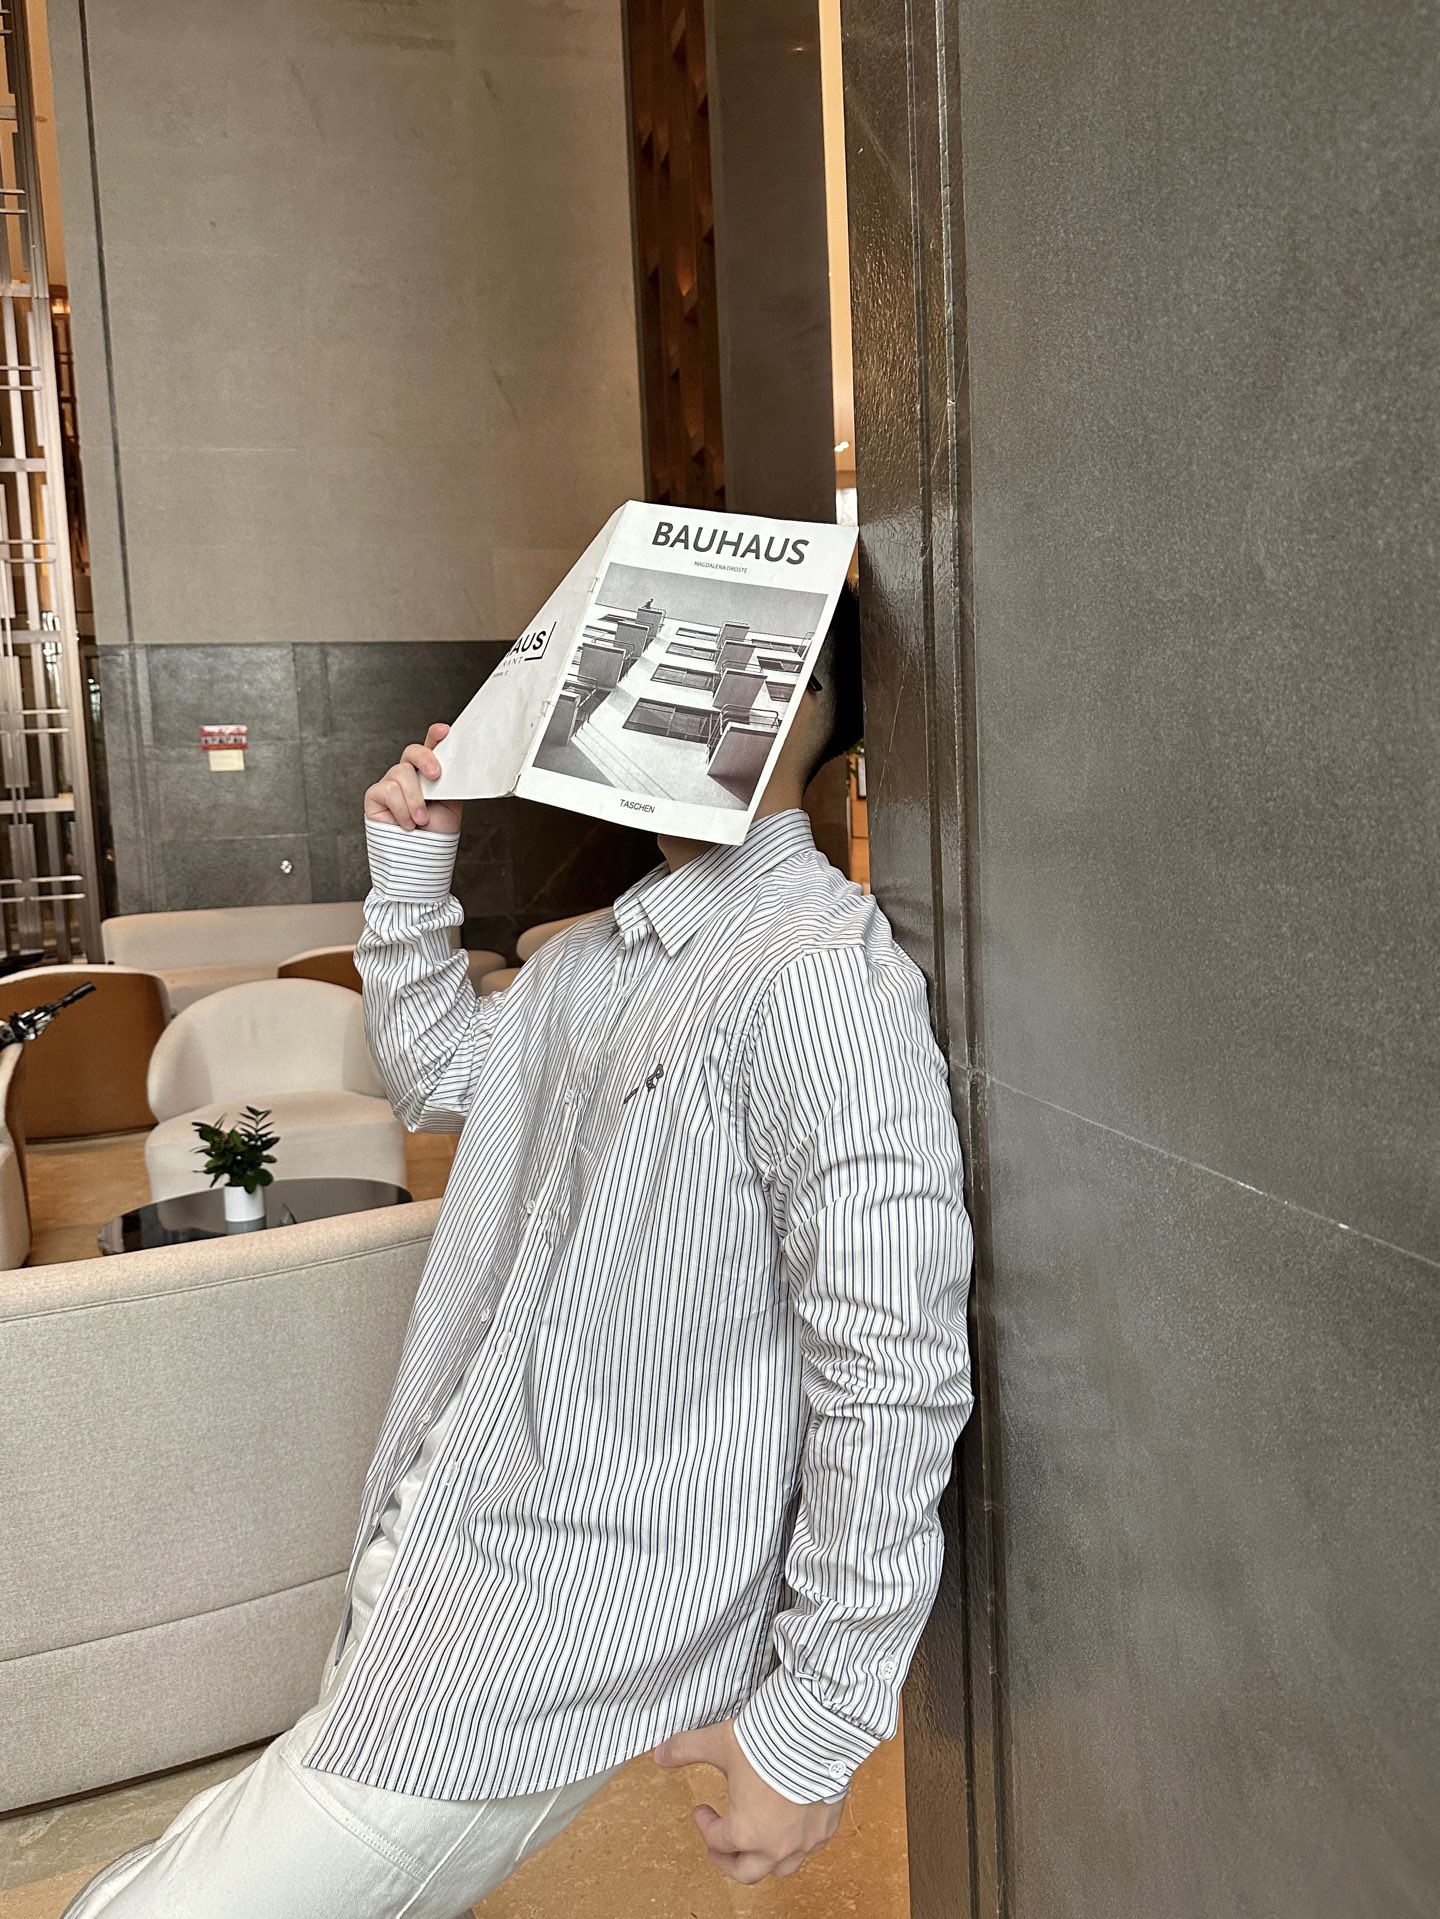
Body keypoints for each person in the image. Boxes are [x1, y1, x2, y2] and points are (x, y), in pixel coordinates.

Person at [64, 584, 974, 1917]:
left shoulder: (818, 978)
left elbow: (891, 1363)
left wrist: (816, 1722)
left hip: (554, 1617)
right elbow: (441, 1071)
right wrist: (410, 869)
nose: (635, 693)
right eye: (623, 654)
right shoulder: (594, 958)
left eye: (689, 659)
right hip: (435, 1545)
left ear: (798, 701)